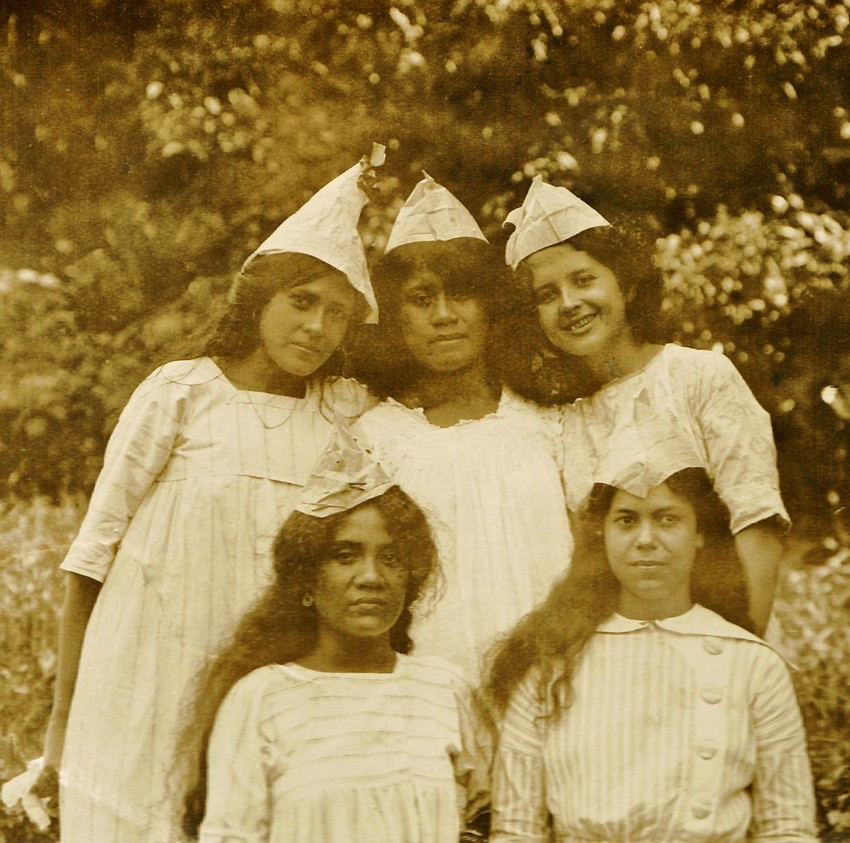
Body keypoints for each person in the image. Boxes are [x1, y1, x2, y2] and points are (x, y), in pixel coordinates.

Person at [21, 148, 384, 842]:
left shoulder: (340, 415)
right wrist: (61, 721)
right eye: (301, 301)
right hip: (143, 673)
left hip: (265, 680)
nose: (315, 326)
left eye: (337, 314)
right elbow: (91, 557)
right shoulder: (182, 391)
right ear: (259, 298)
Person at [503, 176, 788, 635]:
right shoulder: (555, 417)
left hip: (715, 639)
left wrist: (739, 654)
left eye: (583, 279)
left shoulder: (698, 377)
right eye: (546, 294)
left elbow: (755, 521)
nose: (569, 303)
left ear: (628, 286)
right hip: (606, 655)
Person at [179, 432, 491, 843]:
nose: (371, 578)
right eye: (345, 556)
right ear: (306, 579)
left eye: (391, 559)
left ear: (409, 578)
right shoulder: (261, 699)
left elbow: (492, 819)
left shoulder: (444, 689)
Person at [485, 467, 818, 843]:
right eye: (626, 521)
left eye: (668, 519)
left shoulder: (751, 663)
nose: (645, 540)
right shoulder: (550, 666)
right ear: (603, 535)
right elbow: (516, 831)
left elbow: (788, 827)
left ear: (700, 535)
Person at [349, 173, 573, 676]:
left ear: (491, 307)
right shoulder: (375, 439)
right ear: (395, 315)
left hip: (555, 673)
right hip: (428, 680)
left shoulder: (548, 421)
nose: (445, 315)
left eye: (463, 295)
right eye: (422, 299)